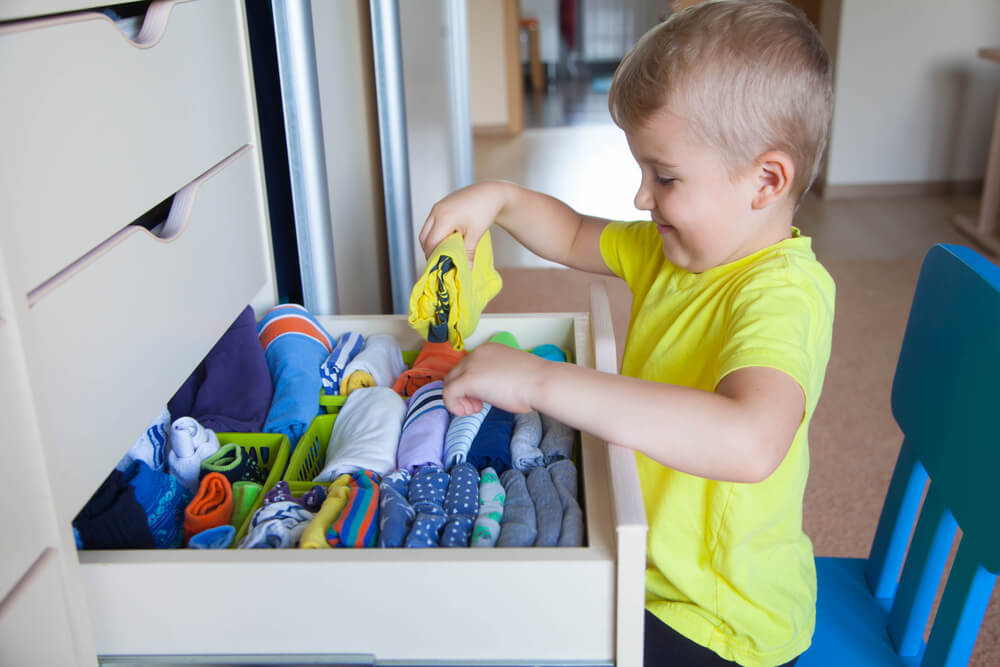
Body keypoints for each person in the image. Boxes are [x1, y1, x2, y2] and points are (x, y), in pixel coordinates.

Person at [419, 1, 834, 665]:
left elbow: (751, 440)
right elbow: (575, 232)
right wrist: (498, 198)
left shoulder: (781, 295)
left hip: (714, 614)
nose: (643, 197)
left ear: (766, 180)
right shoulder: (677, 250)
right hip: (641, 559)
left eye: (665, 177)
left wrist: (539, 379)